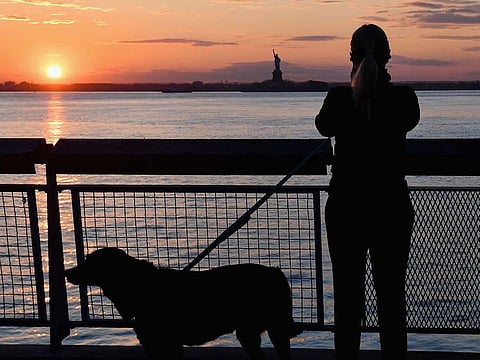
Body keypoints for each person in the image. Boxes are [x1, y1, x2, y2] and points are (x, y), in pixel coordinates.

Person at [315, 24, 420, 360]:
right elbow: (409, 121)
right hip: (391, 206)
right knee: (391, 297)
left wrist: (354, 86)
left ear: (351, 57)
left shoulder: (337, 99)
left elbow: (323, 126)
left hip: (346, 208)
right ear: (388, 57)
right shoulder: (404, 99)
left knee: (348, 299)